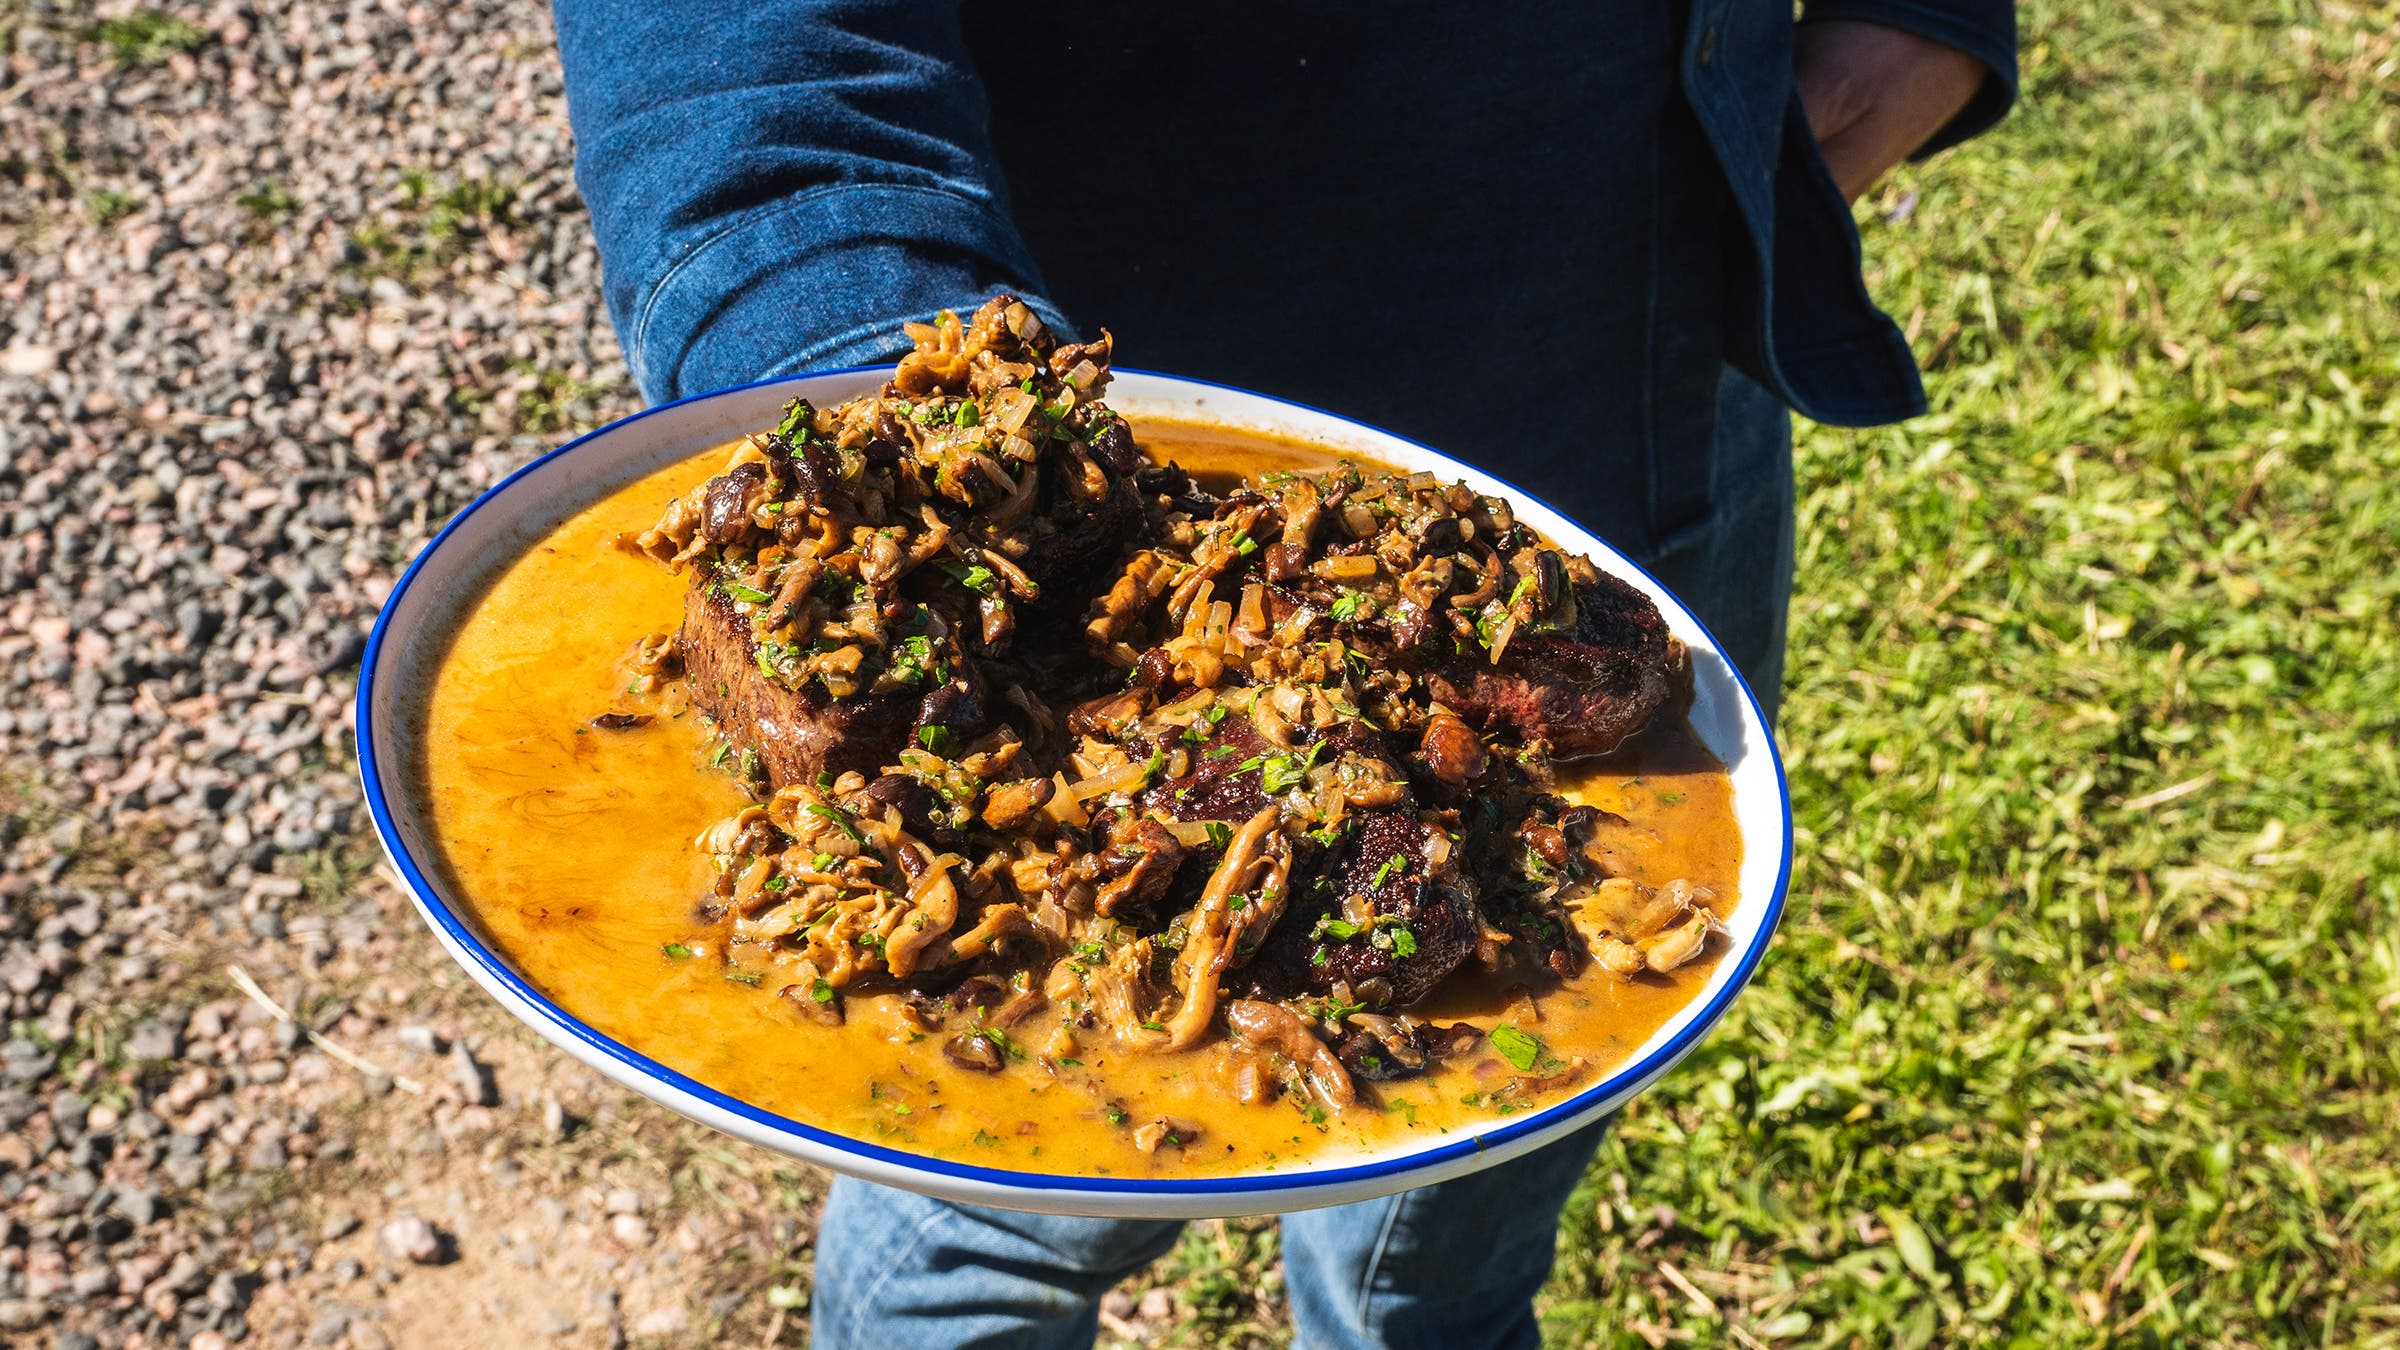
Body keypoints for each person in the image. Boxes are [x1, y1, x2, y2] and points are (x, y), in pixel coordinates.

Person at [551, 5, 2016, 1346]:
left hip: (1632, 428)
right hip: (1090, 548)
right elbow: (754, 68)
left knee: (1447, 1241)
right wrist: (924, 449)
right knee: (989, 1226)